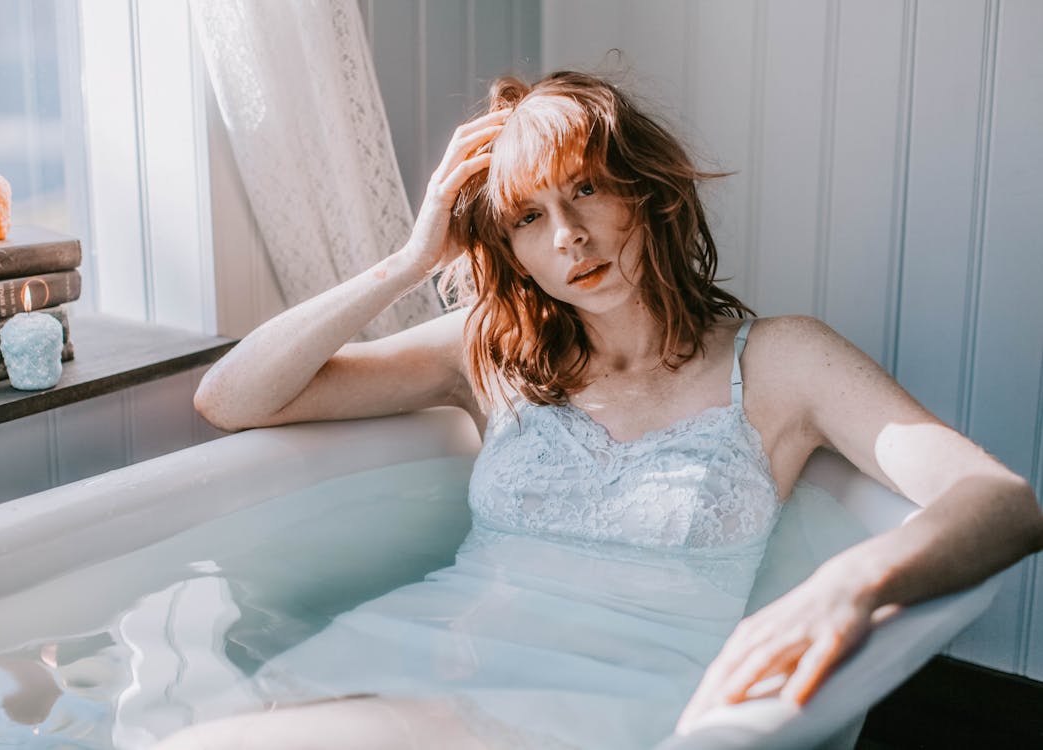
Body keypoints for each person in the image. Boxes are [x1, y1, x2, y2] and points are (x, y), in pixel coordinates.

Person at [169, 71, 1043, 749]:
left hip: (606, 708)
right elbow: (232, 399)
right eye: (526, 218)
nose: (568, 238)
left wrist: (847, 587)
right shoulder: (489, 350)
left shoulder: (779, 361)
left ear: (645, 187)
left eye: (585, 189)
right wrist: (405, 260)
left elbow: (1002, 502)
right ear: (504, 246)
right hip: (412, 651)